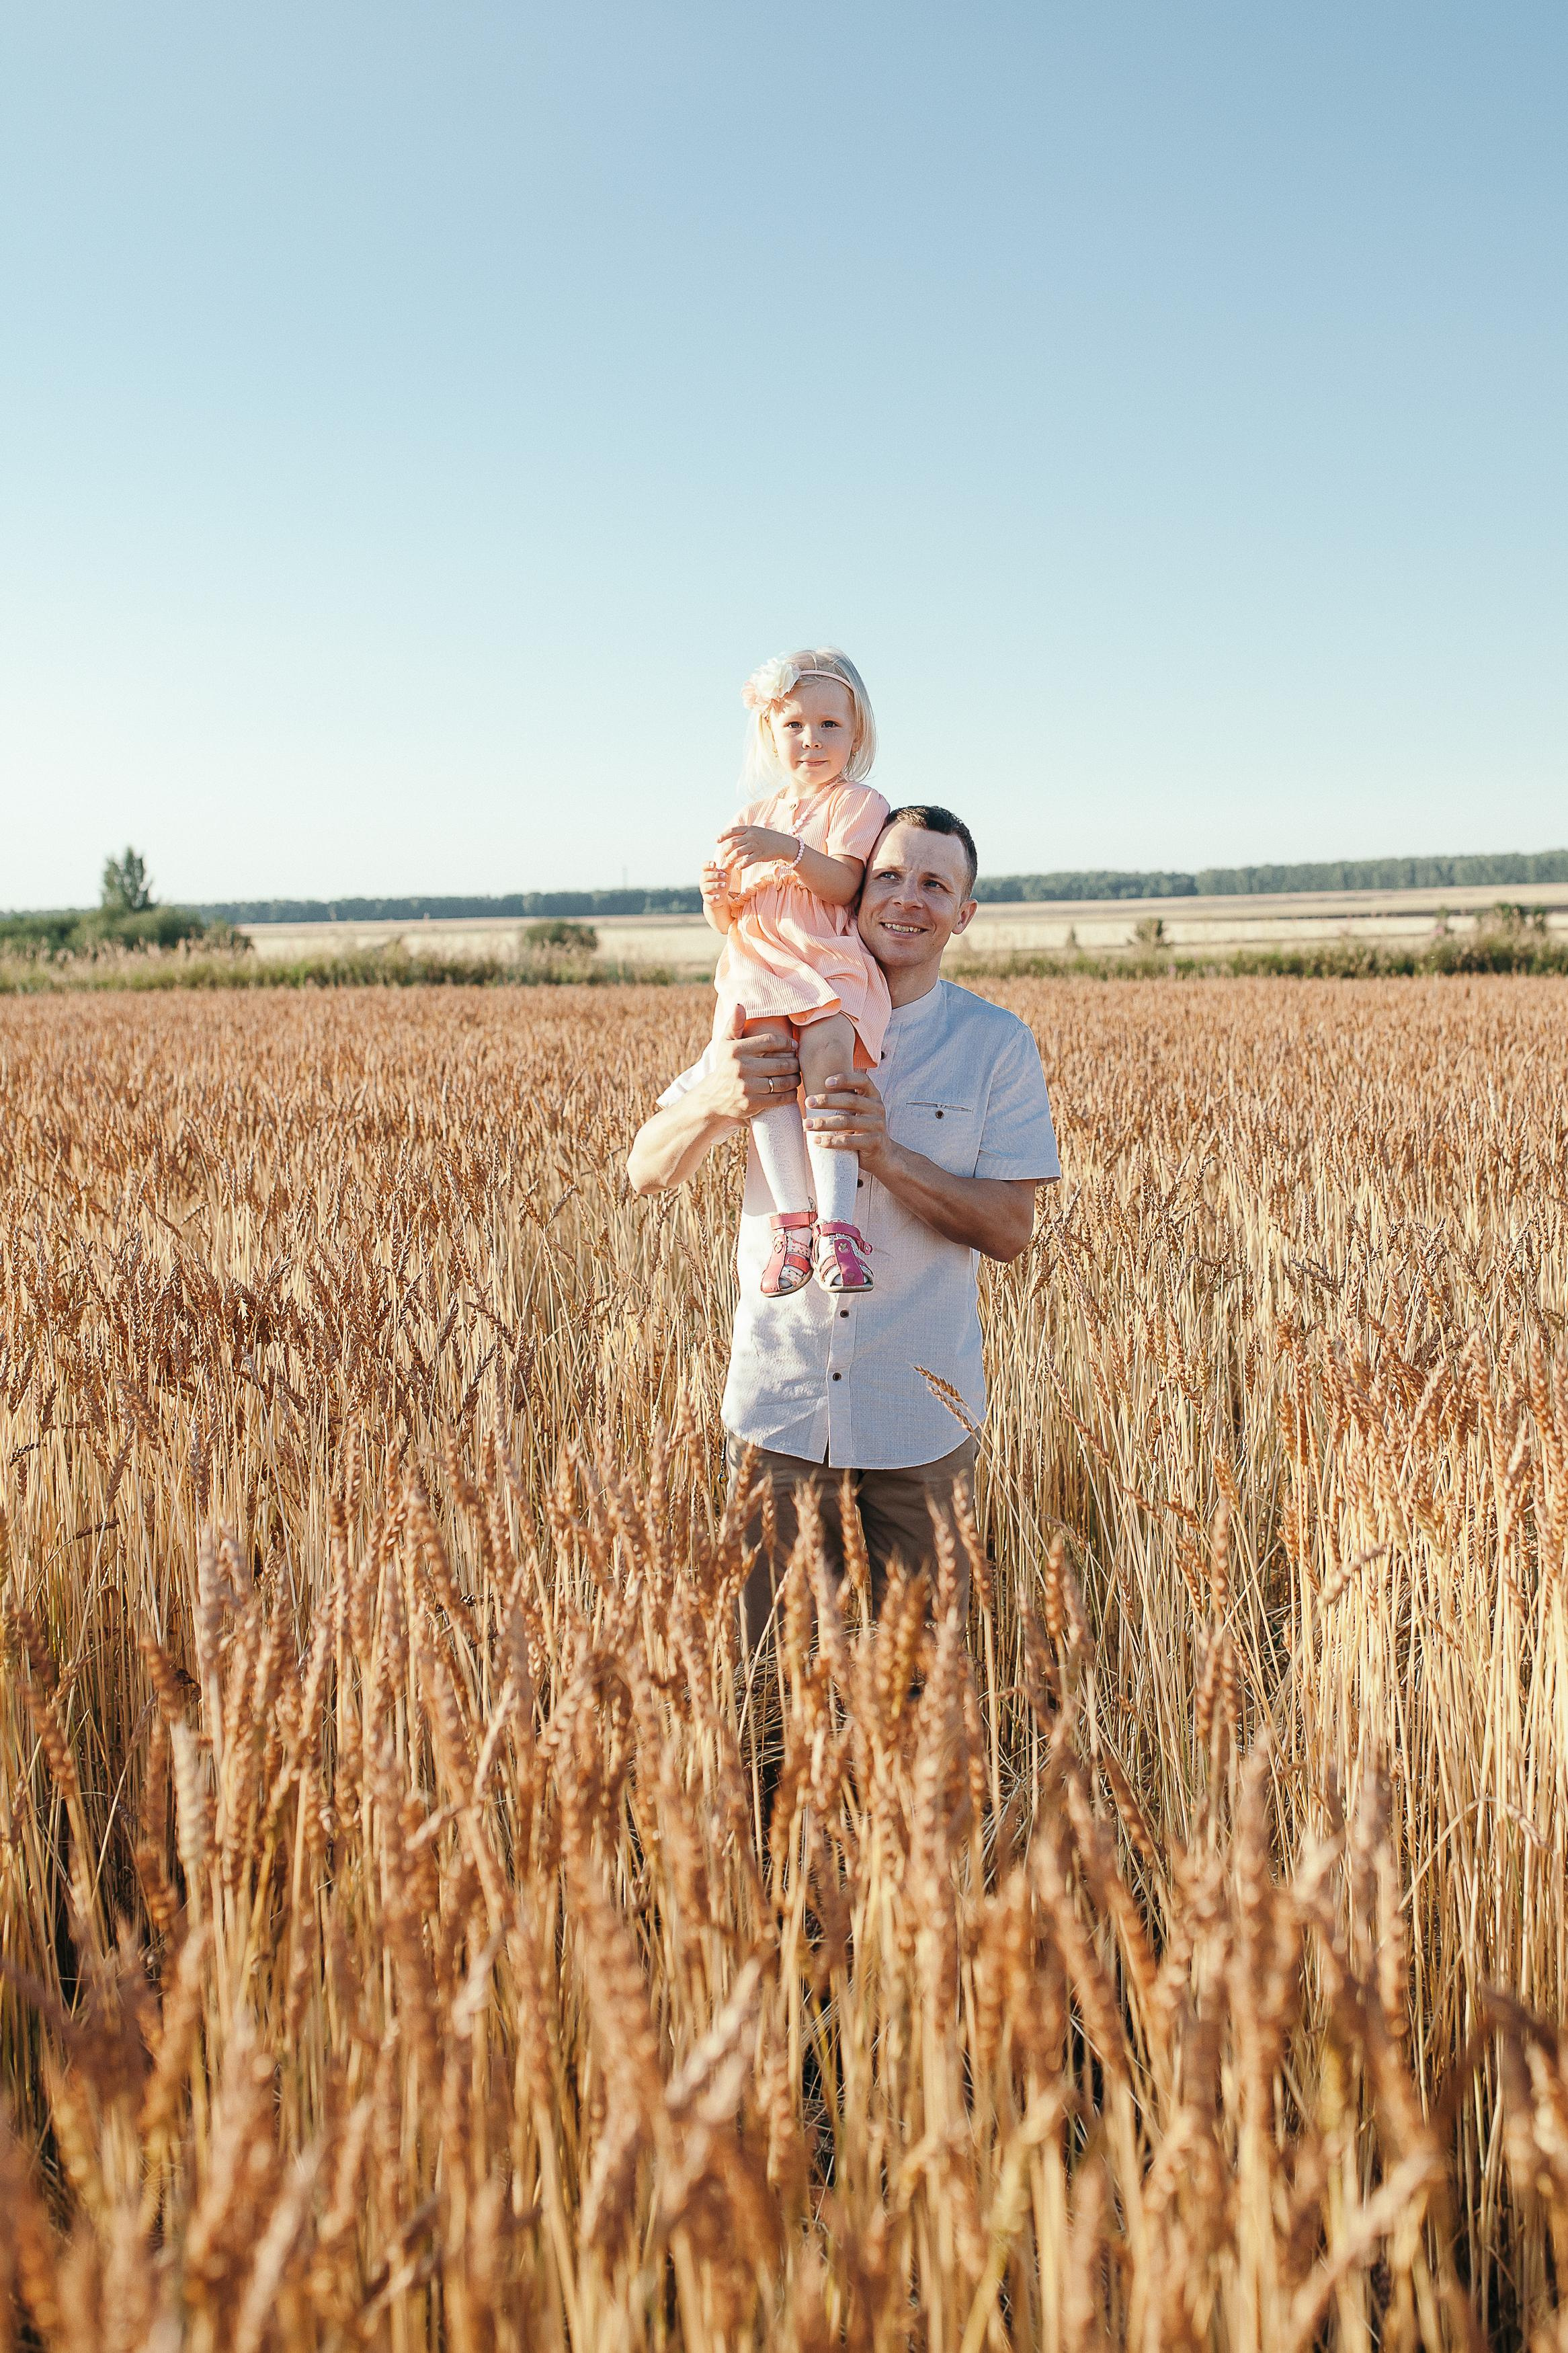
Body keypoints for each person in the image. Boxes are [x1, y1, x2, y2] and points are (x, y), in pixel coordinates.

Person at [628, 805, 1061, 1642]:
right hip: (778, 1409)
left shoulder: (994, 1043)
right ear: (855, 885)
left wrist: (887, 1156)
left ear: (961, 915)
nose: (906, 897)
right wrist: (717, 1101)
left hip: (919, 1418)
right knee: (766, 1683)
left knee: (922, 1684)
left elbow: (1011, 1229)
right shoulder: (774, 1013)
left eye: (934, 884)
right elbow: (643, 1169)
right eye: (889, 874)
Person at [702, 647, 891, 1298]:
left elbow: (842, 884)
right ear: (768, 732)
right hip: (758, 959)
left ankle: (839, 1227)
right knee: (766, 1077)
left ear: (855, 732)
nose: (810, 739)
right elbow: (728, 920)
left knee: (827, 1060)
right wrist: (716, 898)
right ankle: (793, 1224)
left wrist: (789, 850)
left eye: (829, 725)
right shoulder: (748, 816)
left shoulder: (857, 802)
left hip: (823, 954)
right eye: (793, 725)